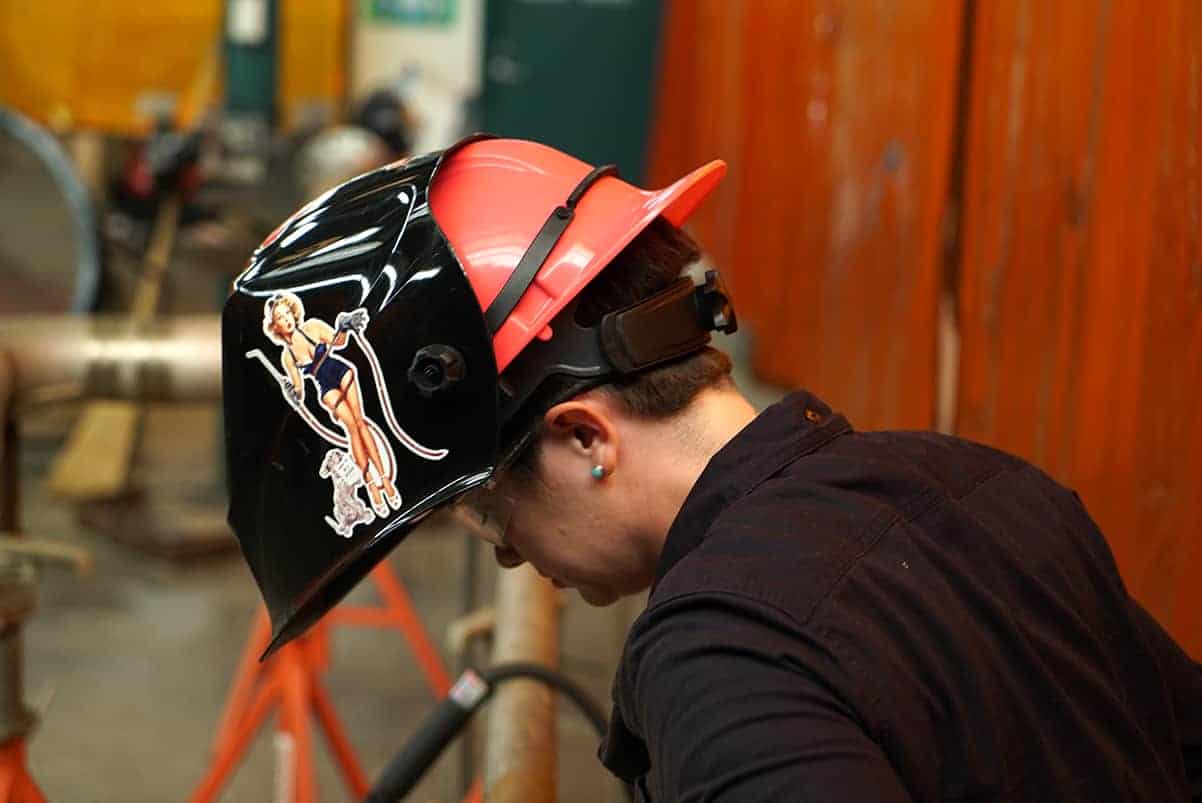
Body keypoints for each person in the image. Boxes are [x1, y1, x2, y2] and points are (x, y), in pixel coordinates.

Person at [223, 136, 1201, 801]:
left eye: (485, 511)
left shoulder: (720, 663)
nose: (511, 559)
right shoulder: (974, 478)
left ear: (584, 438)